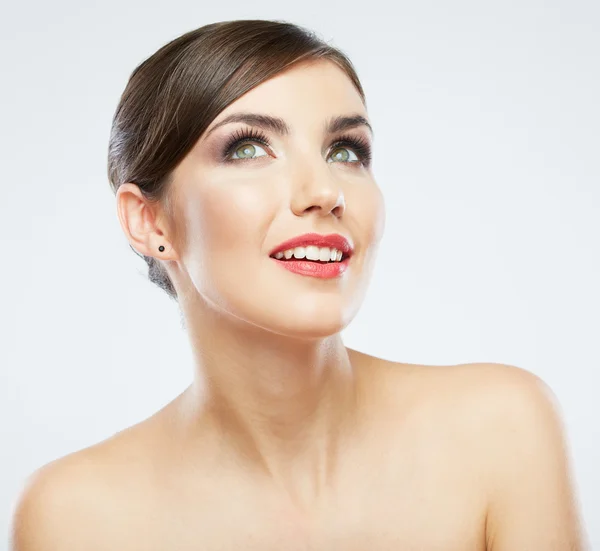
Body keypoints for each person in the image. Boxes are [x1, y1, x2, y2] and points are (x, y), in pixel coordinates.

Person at [10, 19, 588, 551]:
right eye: (248, 147)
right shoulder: (73, 517)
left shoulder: (501, 430)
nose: (324, 190)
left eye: (346, 150)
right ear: (150, 221)